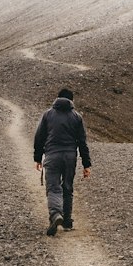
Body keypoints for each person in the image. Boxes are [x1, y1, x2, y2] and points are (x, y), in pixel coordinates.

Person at [33, 87, 91, 236]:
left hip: (52, 155)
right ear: (72, 101)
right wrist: (86, 164)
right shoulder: (76, 117)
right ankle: (66, 222)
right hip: (70, 157)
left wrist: (37, 158)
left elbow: (39, 137)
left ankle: (55, 214)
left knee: (53, 187)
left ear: (57, 98)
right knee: (67, 188)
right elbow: (82, 142)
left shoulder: (48, 115)